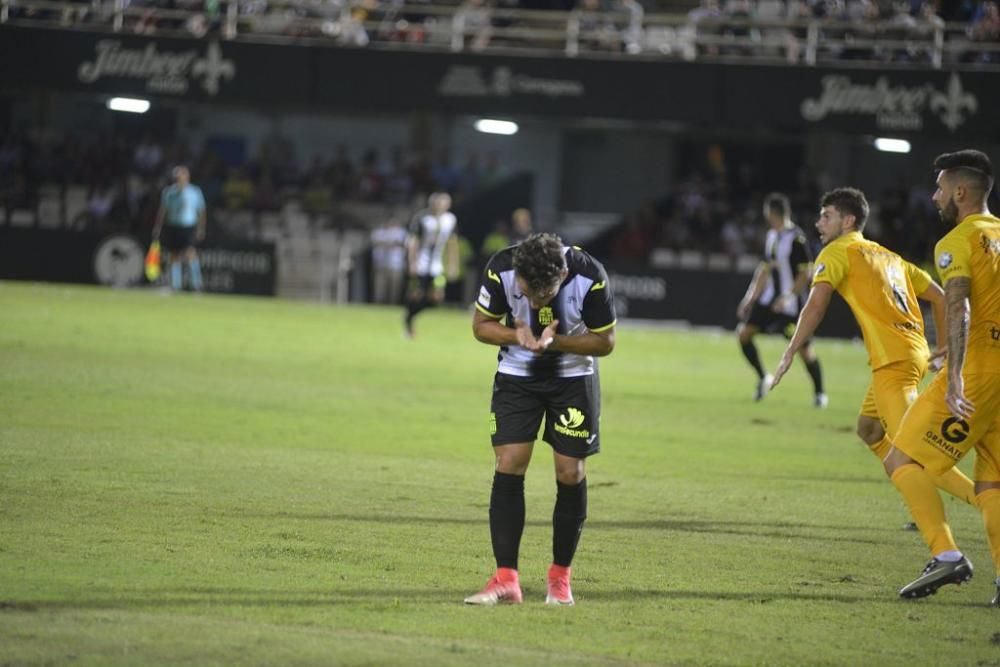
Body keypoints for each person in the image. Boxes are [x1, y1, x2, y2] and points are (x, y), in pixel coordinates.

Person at [770, 187, 976, 511]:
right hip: (910, 355)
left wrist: (790, 350)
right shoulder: (889, 256)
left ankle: (985, 502)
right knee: (868, 429)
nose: (819, 223)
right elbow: (939, 296)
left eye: (827, 216)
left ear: (848, 221)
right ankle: (916, 490)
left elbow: (816, 304)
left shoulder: (838, 251)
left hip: (894, 364)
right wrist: (944, 344)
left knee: (914, 451)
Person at [464, 233, 616, 606]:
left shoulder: (589, 273)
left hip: (573, 379)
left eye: (541, 295)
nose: (532, 301)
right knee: (509, 462)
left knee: (570, 472)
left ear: (562, 274)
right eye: (527, 292)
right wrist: (519, 336)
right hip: (518, 377)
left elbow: (605, 341)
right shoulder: (502, 267)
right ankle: (505, 579)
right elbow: (481, 325)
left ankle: (559, 579)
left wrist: (555, 343)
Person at [879, 150, 1000, 603]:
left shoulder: (957, 242)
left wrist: (954, 377)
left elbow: (961, 305)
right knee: (991, 484)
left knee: (901, 459)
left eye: (941, 188)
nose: (934, 197)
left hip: (975, 375)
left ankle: (946, 555)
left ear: (961, 192)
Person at [737, 192, 826, 405]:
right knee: (744, 334)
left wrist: (787, 297)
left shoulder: (796, 238)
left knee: (804, 350)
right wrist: (750, 298)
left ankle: (820, 394)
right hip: (769, 301)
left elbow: (806, 273)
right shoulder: (771, 236)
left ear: (771, 213)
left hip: (790, 306)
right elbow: (764, 270)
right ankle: (763, 378)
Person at [403, 192, 459, 337]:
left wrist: (453, 264)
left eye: (445, 203)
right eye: (439, 202)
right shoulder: (422, 218)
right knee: (415, 295)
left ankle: (410, 316)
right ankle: (409, 322)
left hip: (437, 266)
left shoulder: (450, 220)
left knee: (437, 297)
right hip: (421, 263)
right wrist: (412, 263)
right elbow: (413, 242)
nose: (442, 205)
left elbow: (452, 243)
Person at [152, 165, 207, 292]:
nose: (178, 179)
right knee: (173, 256)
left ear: (187, 177)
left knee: (190, 253)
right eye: (176, 177)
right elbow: (163, 211)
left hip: (189, 227)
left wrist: (201, 228)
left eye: (180, 176)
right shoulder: (169, 192)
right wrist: (158, 227)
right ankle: (175, 285)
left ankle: (197, 285)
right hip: (173, 226)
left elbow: (202, 211)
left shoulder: (195, 191)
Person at [370, 215, 408, 304]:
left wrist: (389, 244)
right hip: (380, 264)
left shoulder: (401, 232)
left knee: (394, 287)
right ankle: (378, 303)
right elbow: (375, 242)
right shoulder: (379, 232)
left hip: (396, 265)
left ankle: (393, 303)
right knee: (379, 286)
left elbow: (404, 244)